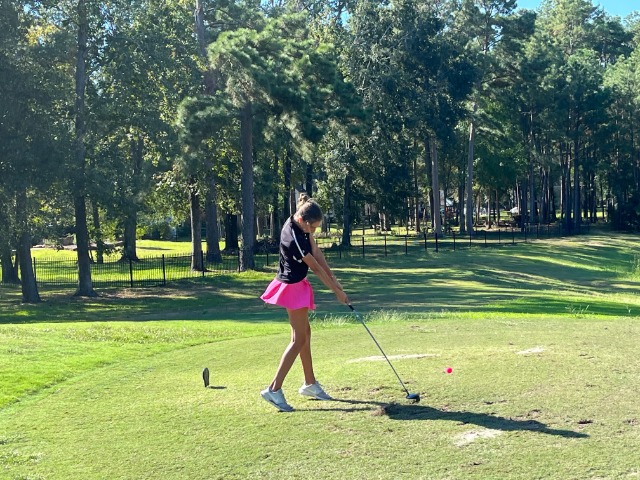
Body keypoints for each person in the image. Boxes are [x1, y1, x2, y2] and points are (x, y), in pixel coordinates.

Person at [260, 193, 350, 412]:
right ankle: (273, 389)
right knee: (299, 338)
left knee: (305, 334)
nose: (314, 232)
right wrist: (336, 292)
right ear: (303, 220)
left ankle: (310, 383)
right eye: (313, 228)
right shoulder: (294, 238)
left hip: (297, 284)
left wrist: (335, 281)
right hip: (291, 287)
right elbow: (315, 267)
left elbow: (317, 252)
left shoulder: (301, 225)